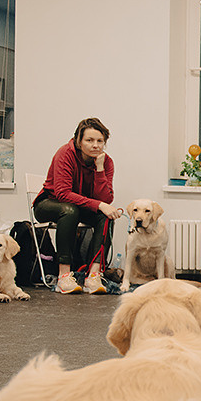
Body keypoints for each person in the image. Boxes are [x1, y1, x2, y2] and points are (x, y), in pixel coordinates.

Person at [33, 117, 122, 294]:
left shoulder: (106, 162)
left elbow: (105, 199)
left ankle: (94, 276)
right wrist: (99, 204)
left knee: (106, 215)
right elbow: (62, 194)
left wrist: (99, 169)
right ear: (79, 141)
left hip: (79, 207)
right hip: (49, 204)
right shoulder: (65, 154)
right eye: (89, 140)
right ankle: (64, 277)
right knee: (70, 210)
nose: (95, 145)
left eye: (100, 141)